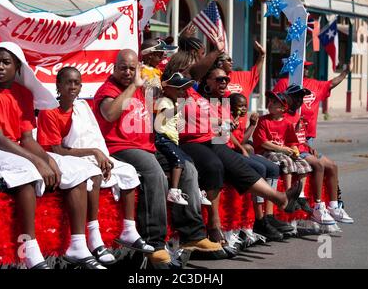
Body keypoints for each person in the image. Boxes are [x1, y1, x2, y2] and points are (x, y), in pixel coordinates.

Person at [0, 42, 104, 269]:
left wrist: (48, 159)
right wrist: (37, 161)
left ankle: (78, 245)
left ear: (18, 68)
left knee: (78, 169)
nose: (0, 67)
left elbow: (28, 139)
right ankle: (30, 250)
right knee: (29, 171)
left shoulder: (23, 93)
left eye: (6, 62)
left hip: (15, 150)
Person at [93, 49, 226, 269]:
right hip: (119, 147)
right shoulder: (108, 89)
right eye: (123, 67)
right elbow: (109, 114)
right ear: (114, 68)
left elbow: (181, 81)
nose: (127, 72)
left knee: (188, 167)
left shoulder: (143, 88)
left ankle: (192, 234)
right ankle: (154, 244)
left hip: (148, 145)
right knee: (155, 174)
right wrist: (134, 86)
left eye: (132, 68)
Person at [37, 67, 155, 266]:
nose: (73, 87)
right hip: (55, 157)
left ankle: (128, 229)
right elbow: (57, 150)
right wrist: (94, 153)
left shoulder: (81, 107)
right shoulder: (49, 111)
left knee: (128, 171)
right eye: (68, 82)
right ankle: (93, 238)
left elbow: (91, 137)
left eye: (76, 83)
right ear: (58, 85)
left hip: (82, 154)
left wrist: (101, 155)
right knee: (91, 171)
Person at [174, 67, 303, 246]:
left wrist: (228, 129)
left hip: (212, 139)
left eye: (226, 79)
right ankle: (214, 224)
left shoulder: (209, 97)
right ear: (206, 80)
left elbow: (221, 125)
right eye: (219, 79)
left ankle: (279, 198)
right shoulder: (182, 92)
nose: (224, 82)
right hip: (189, 142)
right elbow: (187, 119)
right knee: (215, 165)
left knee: (240, 164)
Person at [273, 61, 353, 208]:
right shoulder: (284, 83)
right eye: (303, 67)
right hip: (286, 137)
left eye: (308, 67)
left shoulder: (315, 84)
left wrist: (345, 73)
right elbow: (273, 106)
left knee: (319, 167)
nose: (306, 70)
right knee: (303, 167)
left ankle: (331, 205)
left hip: (306, 138)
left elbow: (330, 84)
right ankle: (302, 203)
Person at [284, 84, 354, 224]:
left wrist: (309, 148)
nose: (299, 100)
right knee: (318, 165)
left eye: (301, 97)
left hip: (304, 149)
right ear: (288, 98)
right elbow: (285, 140)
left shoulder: (298, 115)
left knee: (333, 166)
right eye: (296, 96)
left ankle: (334, 207)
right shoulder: (283, 115)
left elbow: (302, 138)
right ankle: (317, 207)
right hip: (294, 152)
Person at [229, 93, 295, 240]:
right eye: (240, 106)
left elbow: (242, 139)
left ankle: (269, 215)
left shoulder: (239, 118)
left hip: (239, 150)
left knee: (272, 168)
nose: (244, 108)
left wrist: (252, 125)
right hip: (230, 151)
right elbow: (227, 136)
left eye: (245, 105)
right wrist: (242, 148)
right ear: (231, 107)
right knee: (260, 169)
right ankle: (260, 219)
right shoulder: (227, 116)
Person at [154, 70, 211, 206]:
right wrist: (181, 106)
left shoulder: (173, 103)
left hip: (172, 140)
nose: (182, 92)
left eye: (184, 89)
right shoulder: (164, 101)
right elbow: (164, 115)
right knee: (178, 160)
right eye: (179, 89)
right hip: (162, 139)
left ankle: (195, 191)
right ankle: (173, 191)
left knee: (189, 161)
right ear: (167, 89)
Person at [252, 91, 312, 214]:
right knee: (287, 161)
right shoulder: (263, 121)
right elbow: (263, 143)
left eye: (274, 102)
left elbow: (292, 142)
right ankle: (288, 194)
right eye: (270, 101)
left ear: (283, 108)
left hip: (281, 151)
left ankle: (300, 195)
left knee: (304, 164)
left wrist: (294, 150)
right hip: (266, 152)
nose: (270, 104)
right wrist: (282, 149)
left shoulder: (287, 124)